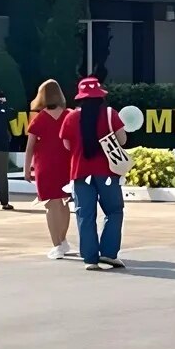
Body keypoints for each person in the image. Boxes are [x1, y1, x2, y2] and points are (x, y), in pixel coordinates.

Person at [59, 77, 126, 271]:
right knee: (114, 211)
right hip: (107, 172)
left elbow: (67, 145)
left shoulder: (71, 117)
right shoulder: (110, 114)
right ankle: (108, 253)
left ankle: (90, 258)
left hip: (80, 172)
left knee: (85, 215)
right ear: (100, 96)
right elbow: (122, 140)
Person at [25, 79, 73, 259]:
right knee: (64, 203)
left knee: (50, 206)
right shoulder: (69, 115)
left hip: (45, 166)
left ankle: (57, 245)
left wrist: (27, 169)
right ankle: (63, 240)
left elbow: (30, 146)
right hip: (66, 165)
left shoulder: (39, 118)